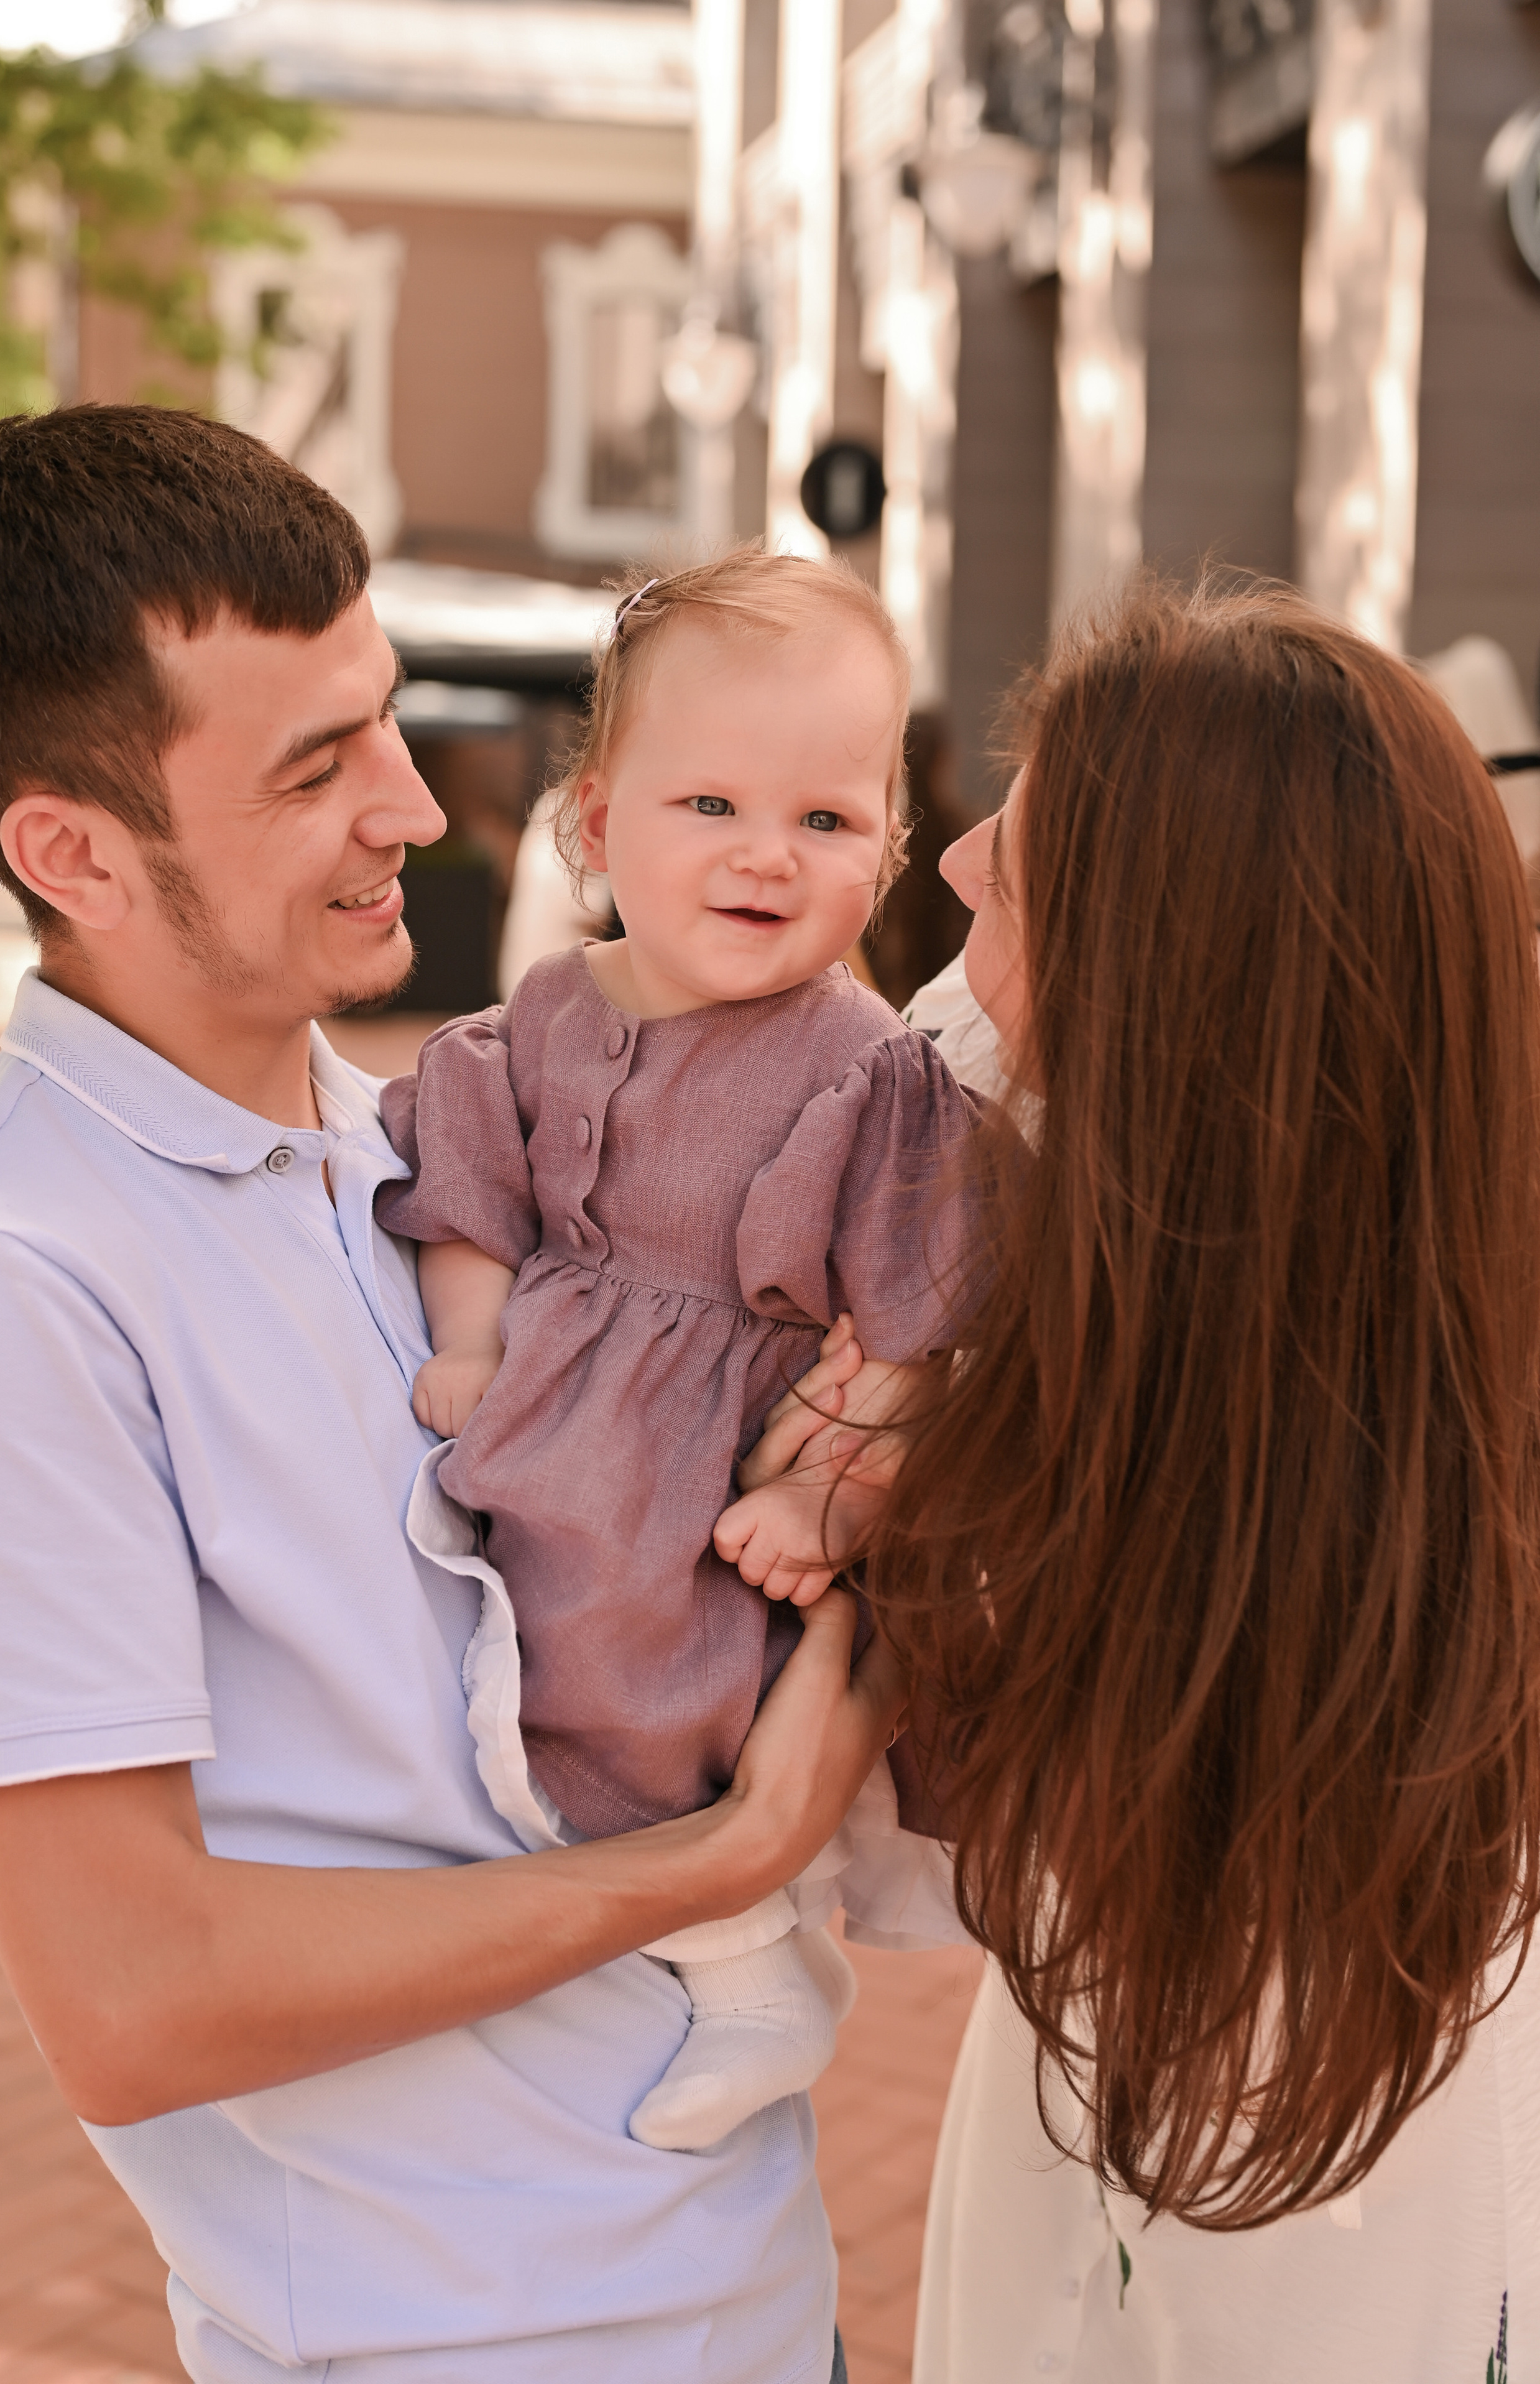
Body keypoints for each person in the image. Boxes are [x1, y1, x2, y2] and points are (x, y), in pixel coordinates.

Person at [0, 405, 905, 2384]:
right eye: (316, 767)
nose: (409, 802)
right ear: (72, 853)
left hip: (758, 2304)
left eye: (382, 714)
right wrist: (723, 1862)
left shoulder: (429, 1135)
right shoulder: (17, 1279)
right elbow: (135, 1998)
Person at [861, 580, 1540, 2380]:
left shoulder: (1163, 1366)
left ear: (1162, 991)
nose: (959, 860)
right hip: (1118, 2138)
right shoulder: (1093, 1205)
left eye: (1029, 862)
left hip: (1328, 2189)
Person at [375, 552, 976, 2156]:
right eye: (710, 804)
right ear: (597, 822)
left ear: (885, 853)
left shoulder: (868, 1067)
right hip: (551, 1427)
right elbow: (468, 1182)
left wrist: (834, 1498)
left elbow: (920, 1320)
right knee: (503, 1658)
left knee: (664, 1683)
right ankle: (559, 1914)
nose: (766, 854)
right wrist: (473, 1333)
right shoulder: (544, 1012)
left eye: (825, 820)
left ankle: (749, 1957)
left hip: (701, 1471)